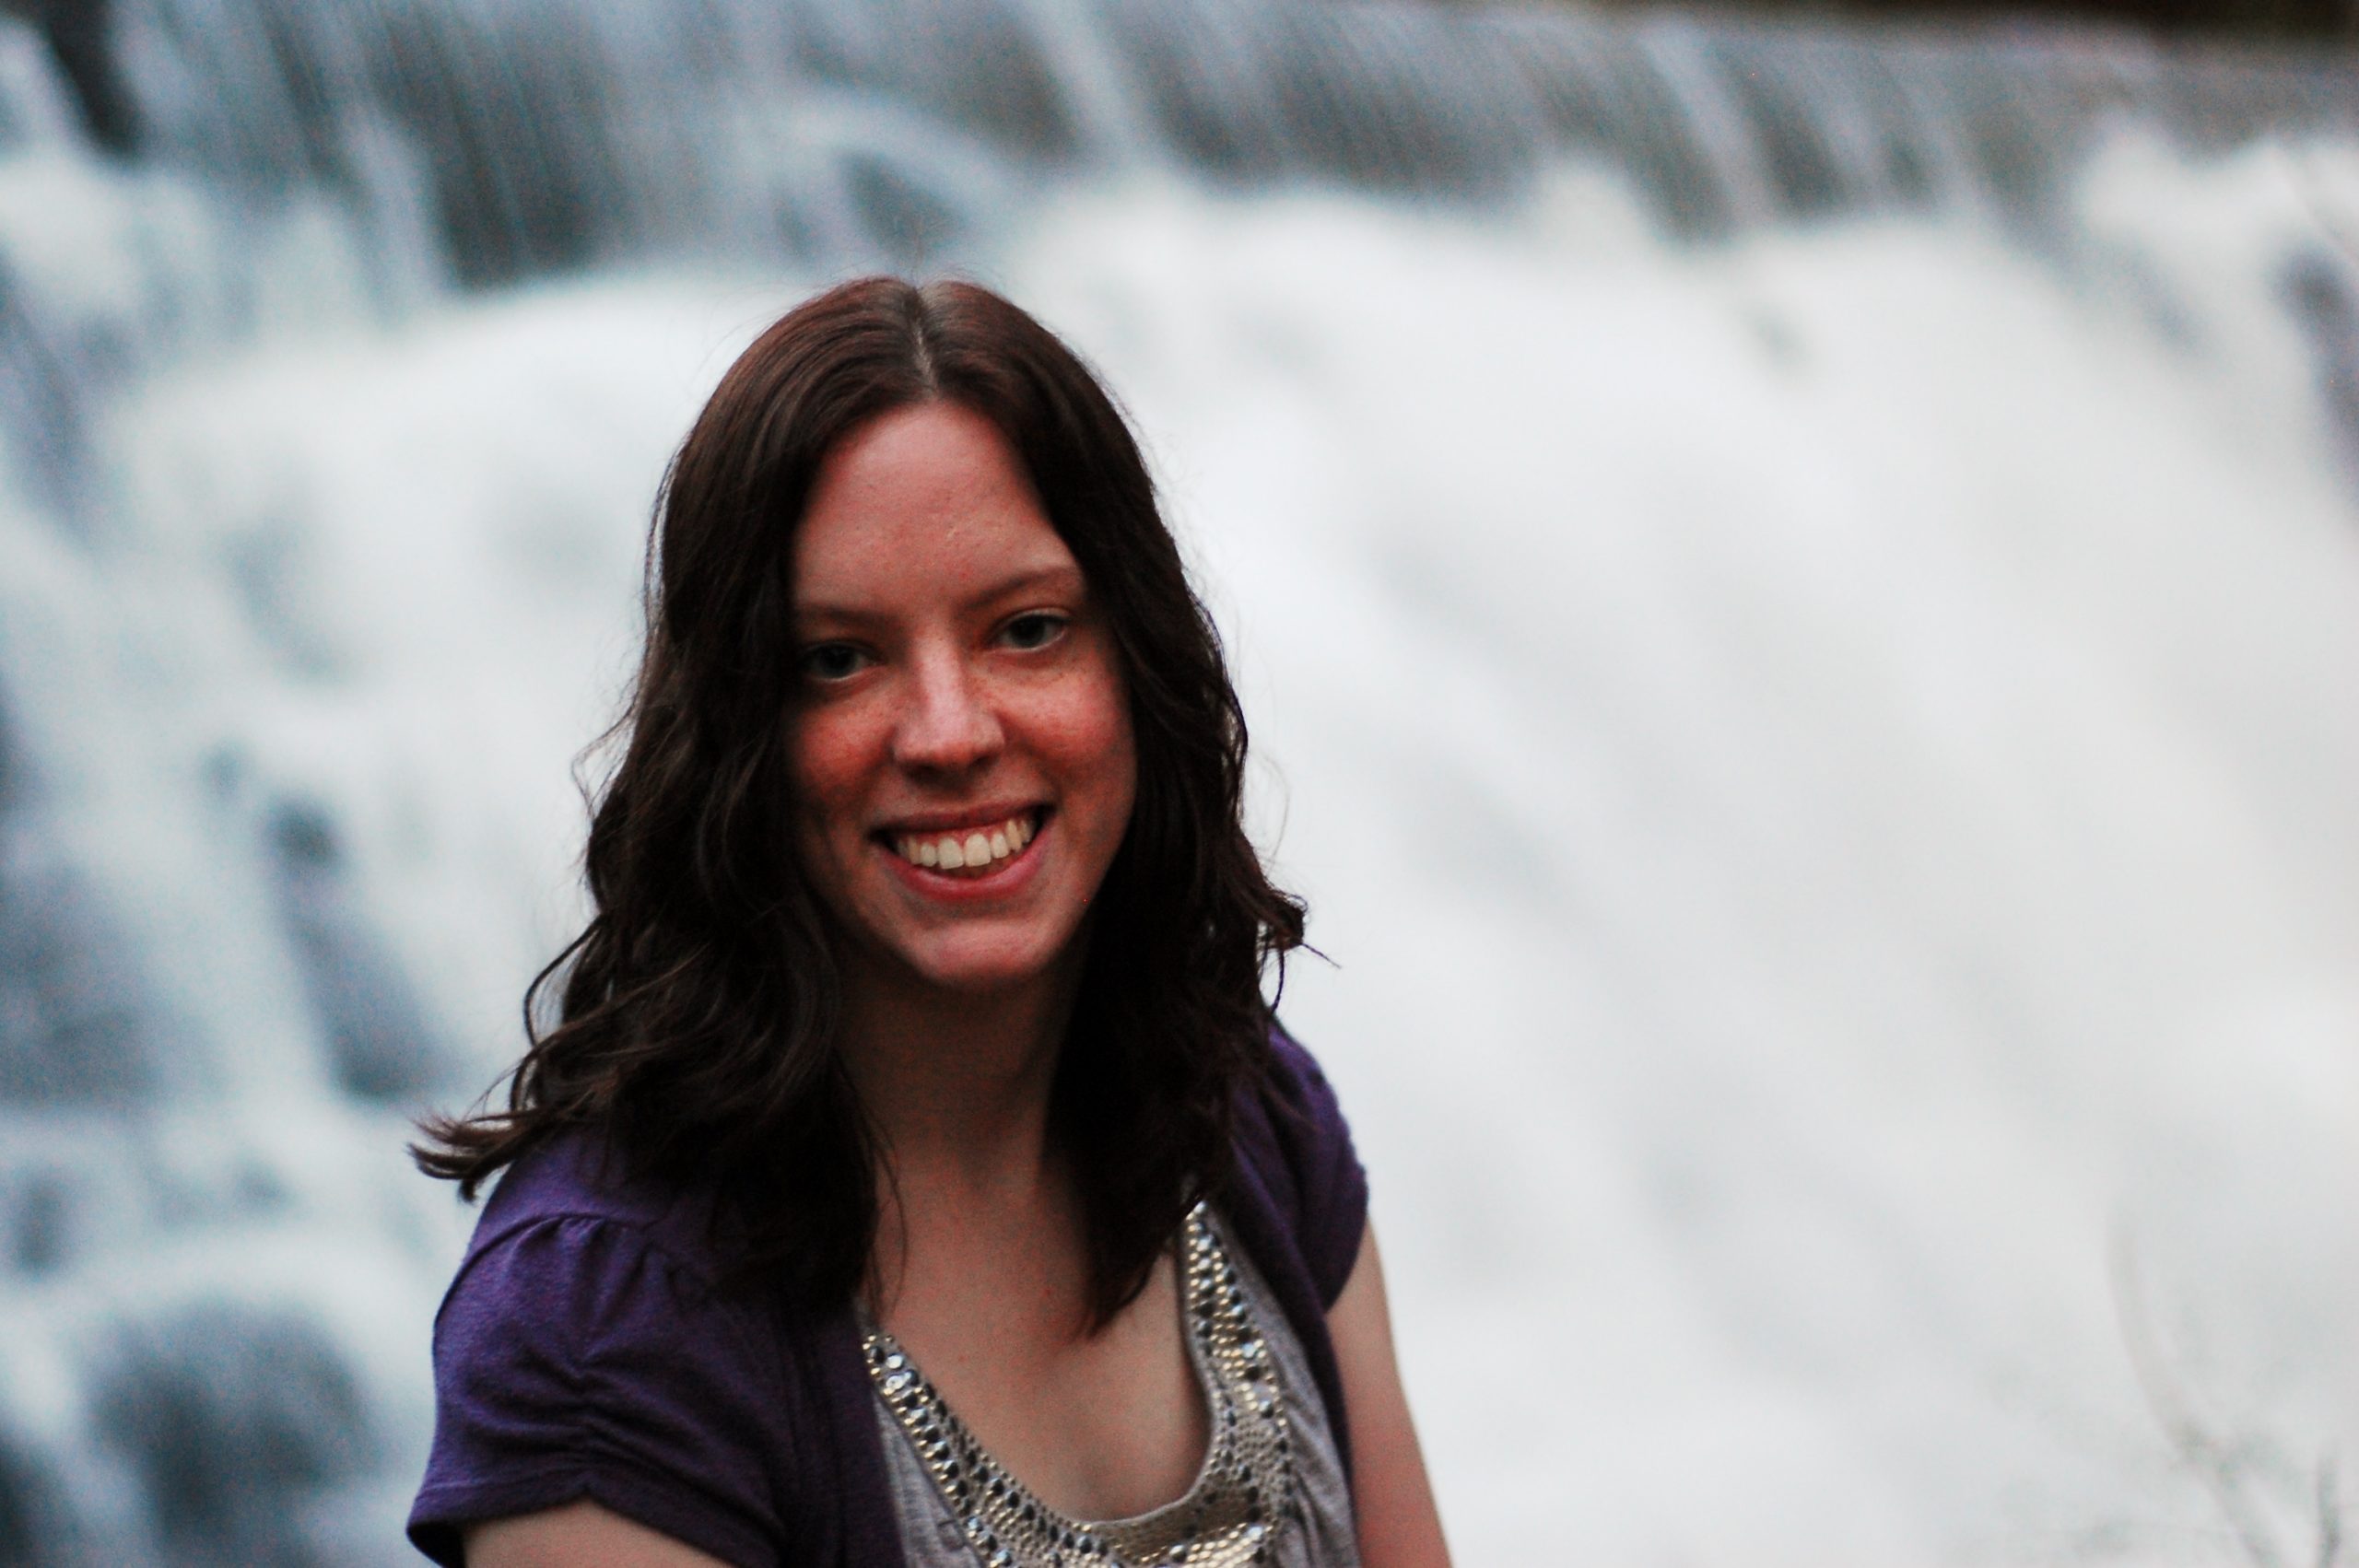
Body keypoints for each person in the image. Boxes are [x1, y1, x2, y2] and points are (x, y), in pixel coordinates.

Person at [404, 278, 1450, 1568]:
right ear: (735, 734)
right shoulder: (605, 1337)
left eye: (1027, 630)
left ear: (1139, 666)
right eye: (840, 658)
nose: (951, 732)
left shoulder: (1247, 1117)